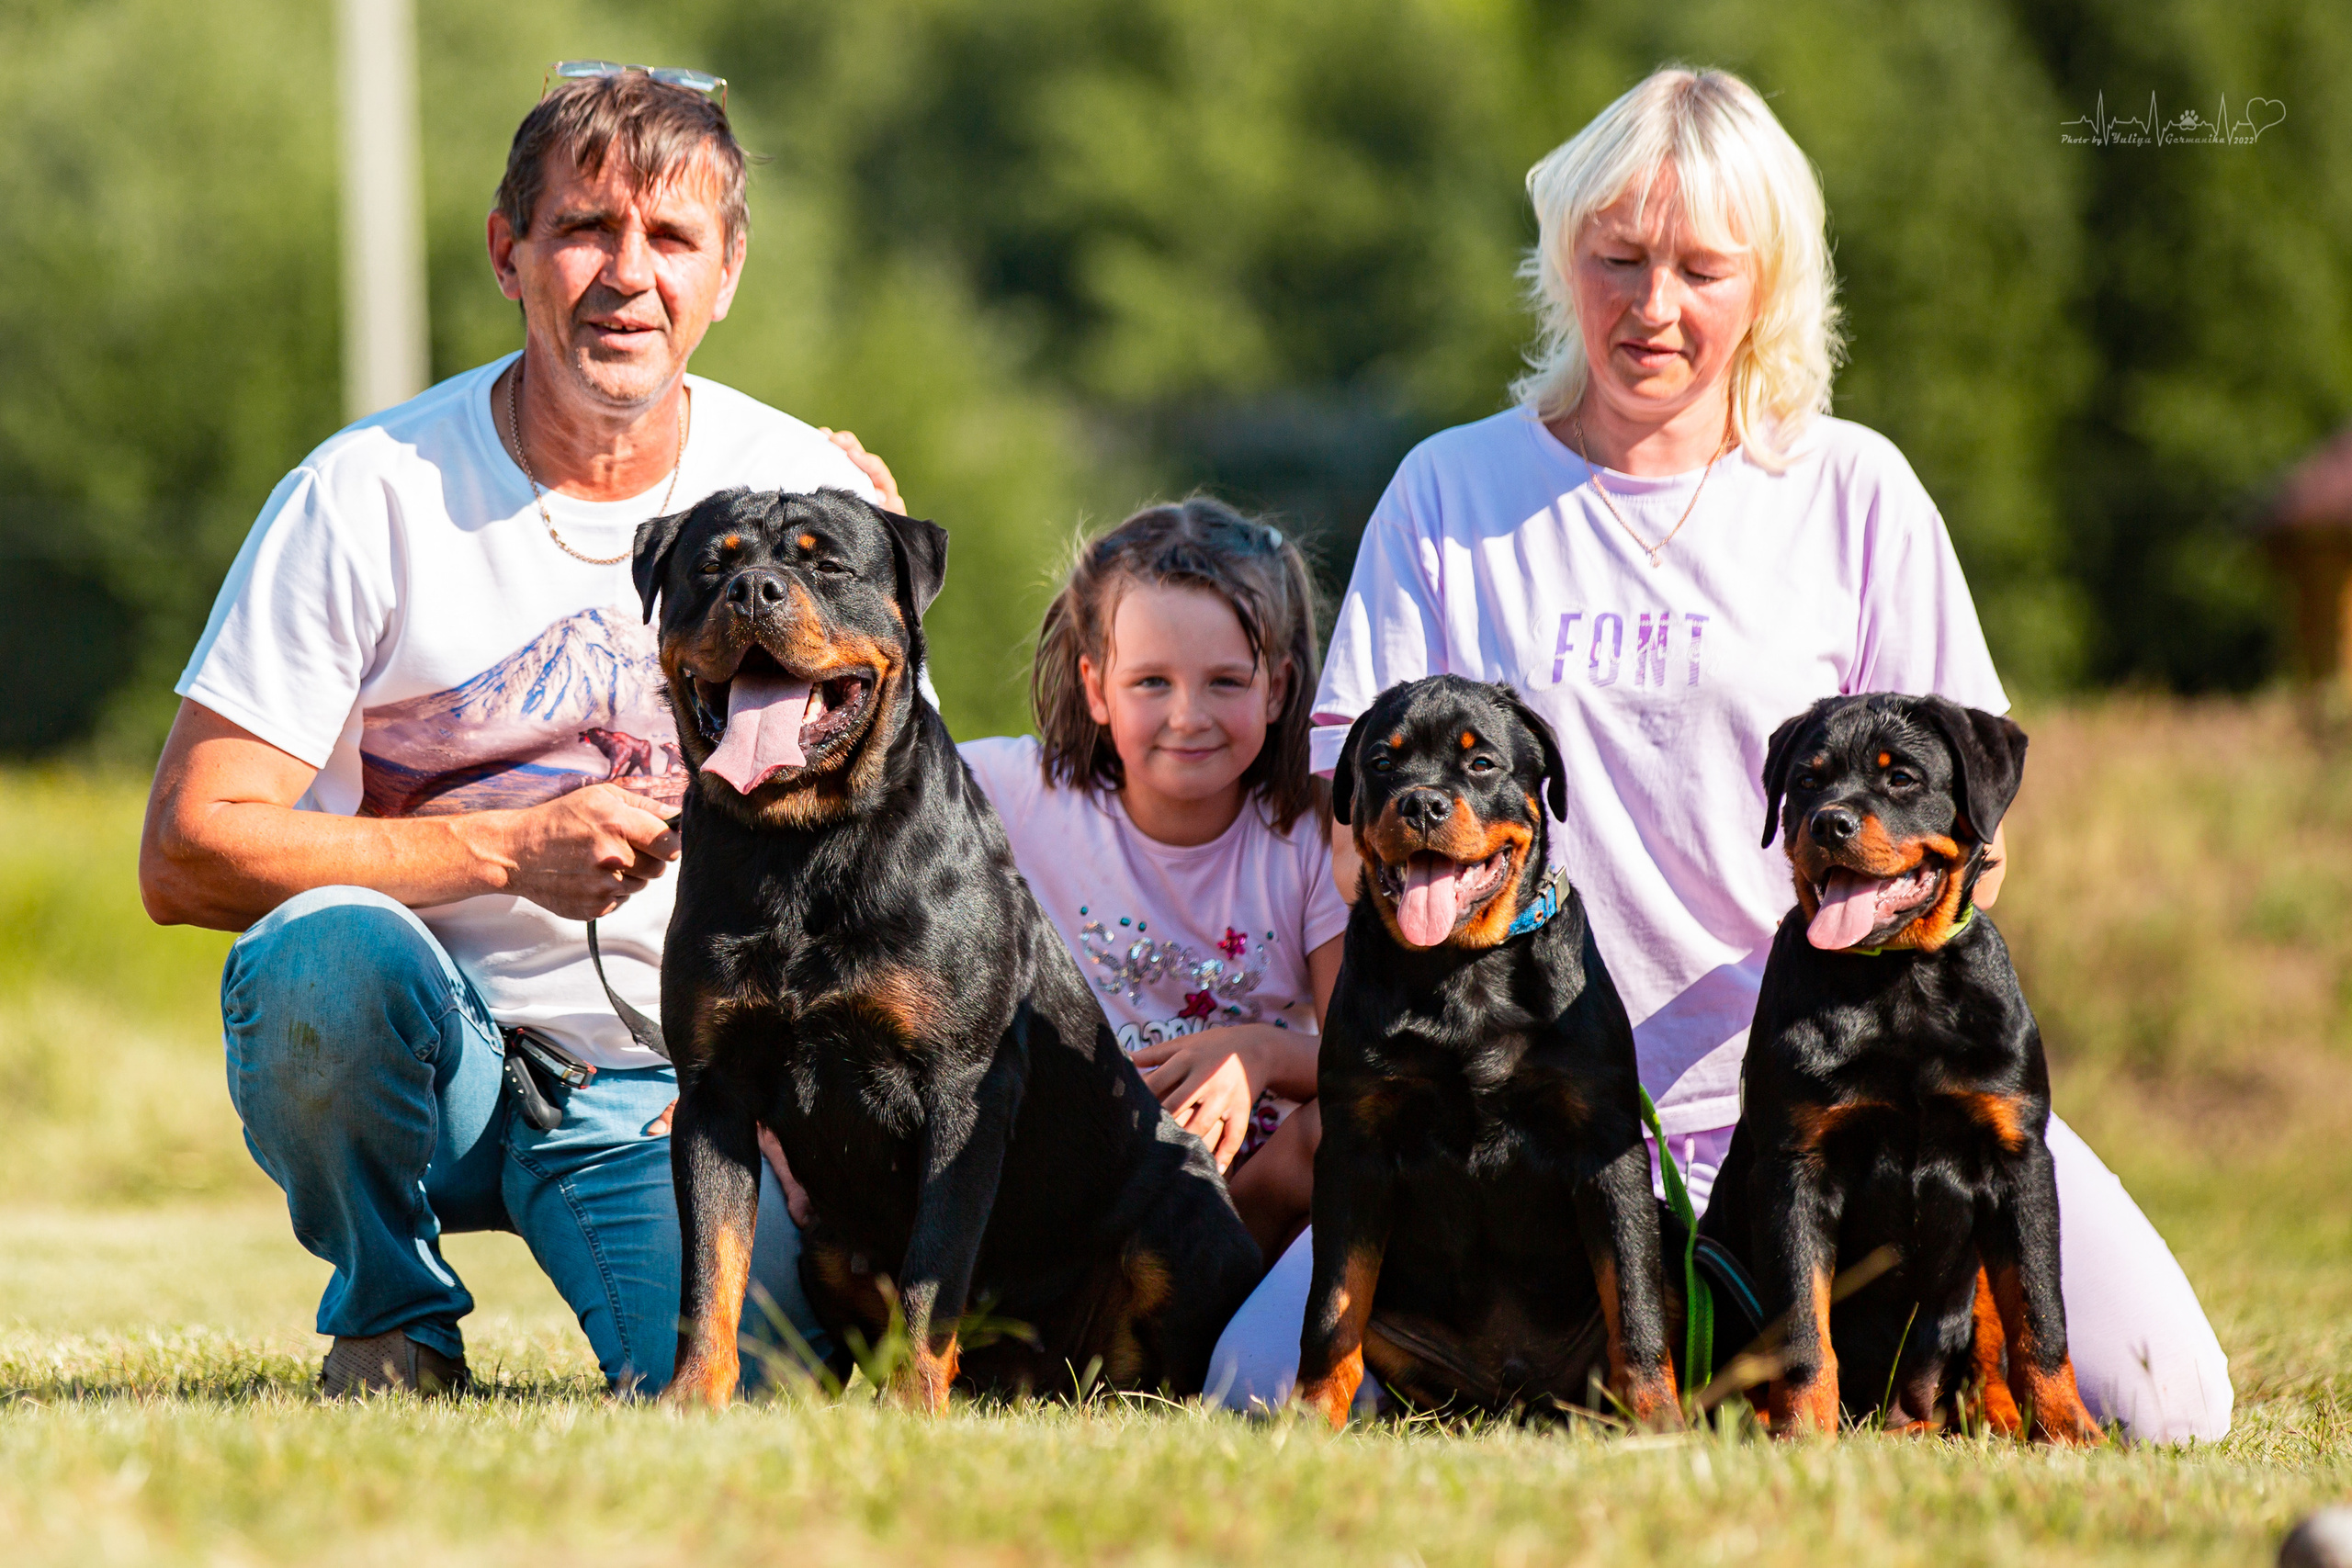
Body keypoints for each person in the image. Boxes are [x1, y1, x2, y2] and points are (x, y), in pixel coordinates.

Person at [1207, 65, 2233, 1442]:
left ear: (1774, 283)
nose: (1654, 304)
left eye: (1702, 267)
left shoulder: (1855, 487)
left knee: (2174, 1401)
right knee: (1247, 1393)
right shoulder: (1450, 491)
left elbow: (1971, 846)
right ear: (1562, 261)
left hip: (1830, 1100)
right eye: (1616, 258)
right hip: (1512, 1114)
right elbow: (1357, 819)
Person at [138, 69, 902, 1396]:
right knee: (324, 955)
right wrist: (504, 851)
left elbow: (898, 856)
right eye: (583, 229)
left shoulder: (813, 498)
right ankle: (391, 1313)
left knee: (769, 1388)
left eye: (669, 239)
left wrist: (790, 1092)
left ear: (726, 270)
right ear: (510, 254)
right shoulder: (362, 493)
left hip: (675, 1101)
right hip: (433, 1062)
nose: (626, 274)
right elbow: (188, 850)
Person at [955, 500, 1349, 1261]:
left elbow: (1360, 1056)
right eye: (1151, 682)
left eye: (1227, 681)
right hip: (1067, 1188)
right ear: (1096, 687)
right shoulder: (1013, 791)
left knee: (1350, 1124)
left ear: (1278, 685)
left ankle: (1221, 1295)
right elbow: (865, 763)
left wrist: (1259, 1052)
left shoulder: (1313, 829)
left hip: (1244, 1198)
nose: (1188, 715)